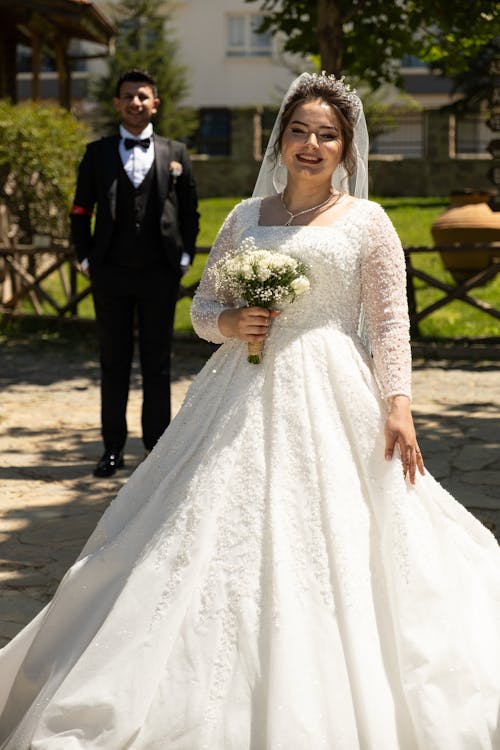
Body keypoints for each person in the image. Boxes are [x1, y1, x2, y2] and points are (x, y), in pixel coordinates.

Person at [0, 71, 499, 749]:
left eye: (327, 135)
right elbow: (204, 309)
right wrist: (231, 323)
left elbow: (387, 325)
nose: (312, 145)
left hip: (332, 388)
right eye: (300, 131)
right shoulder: (244, 217)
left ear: (346, 149)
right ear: (281, 138)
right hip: (238, 390)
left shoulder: (370, 222)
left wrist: (399, 405)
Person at [70, 68, 200, 478]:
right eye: (127, 96)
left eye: (142, 96)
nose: (135, 103)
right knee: (114, 363)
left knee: (158, 363)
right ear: (116, 104)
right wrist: (86, 258)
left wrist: (183, 259)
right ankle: (111, 449)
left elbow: (191, 211)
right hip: (110, 273)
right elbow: (79, 211)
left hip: (160, 273)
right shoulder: (98, 153)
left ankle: (156, 451)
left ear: (155, 103)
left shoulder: (175, 153)